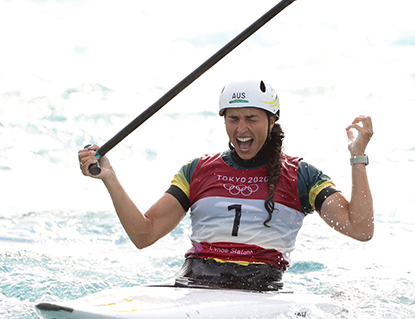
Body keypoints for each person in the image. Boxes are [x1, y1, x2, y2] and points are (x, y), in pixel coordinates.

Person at [78, 80, 373, 291]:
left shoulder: (302, 176)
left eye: (251, 119)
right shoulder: (197, 171)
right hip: (193, 286)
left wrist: (357, 157)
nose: (241, 129)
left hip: (261, 292)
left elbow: (360, 229)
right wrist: (110, 178)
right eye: (233, 119)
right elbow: (144, 234)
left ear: (272, 121)